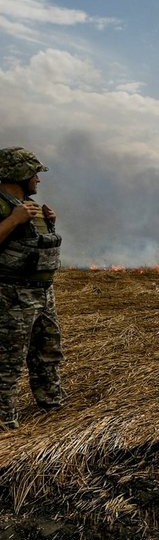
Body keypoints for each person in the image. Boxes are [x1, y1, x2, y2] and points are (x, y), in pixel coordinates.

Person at [0, 147, 64, 430]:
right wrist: (14, 220)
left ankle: (52, 403)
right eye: (33, 172)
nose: (38, 178)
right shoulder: (5, 206)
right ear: (17, 173)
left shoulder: (26, 205)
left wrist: (48, 224)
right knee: (8, 360)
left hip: (41, 292)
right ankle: (4, 418)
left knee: (48, 351)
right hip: (12, 294)